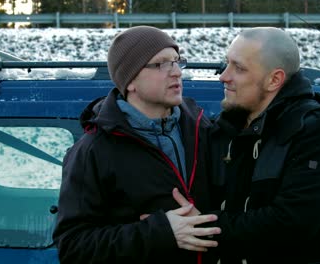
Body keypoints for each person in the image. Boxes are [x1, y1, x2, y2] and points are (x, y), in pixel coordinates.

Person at [174, 27, 320, 263]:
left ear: (274, 79)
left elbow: (291, 224)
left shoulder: (314, 131)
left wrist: (204, 224)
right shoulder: (221, 131)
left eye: (239, 68)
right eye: (226, 64)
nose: (224, 76)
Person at [52, 26, 221, 264]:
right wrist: (159, 233)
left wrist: (207, 219)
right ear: (130, 80)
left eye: (176, 61)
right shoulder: (94, 150)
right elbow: (74, 247)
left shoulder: (201, 127)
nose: (176, 72)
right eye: (161, 64)